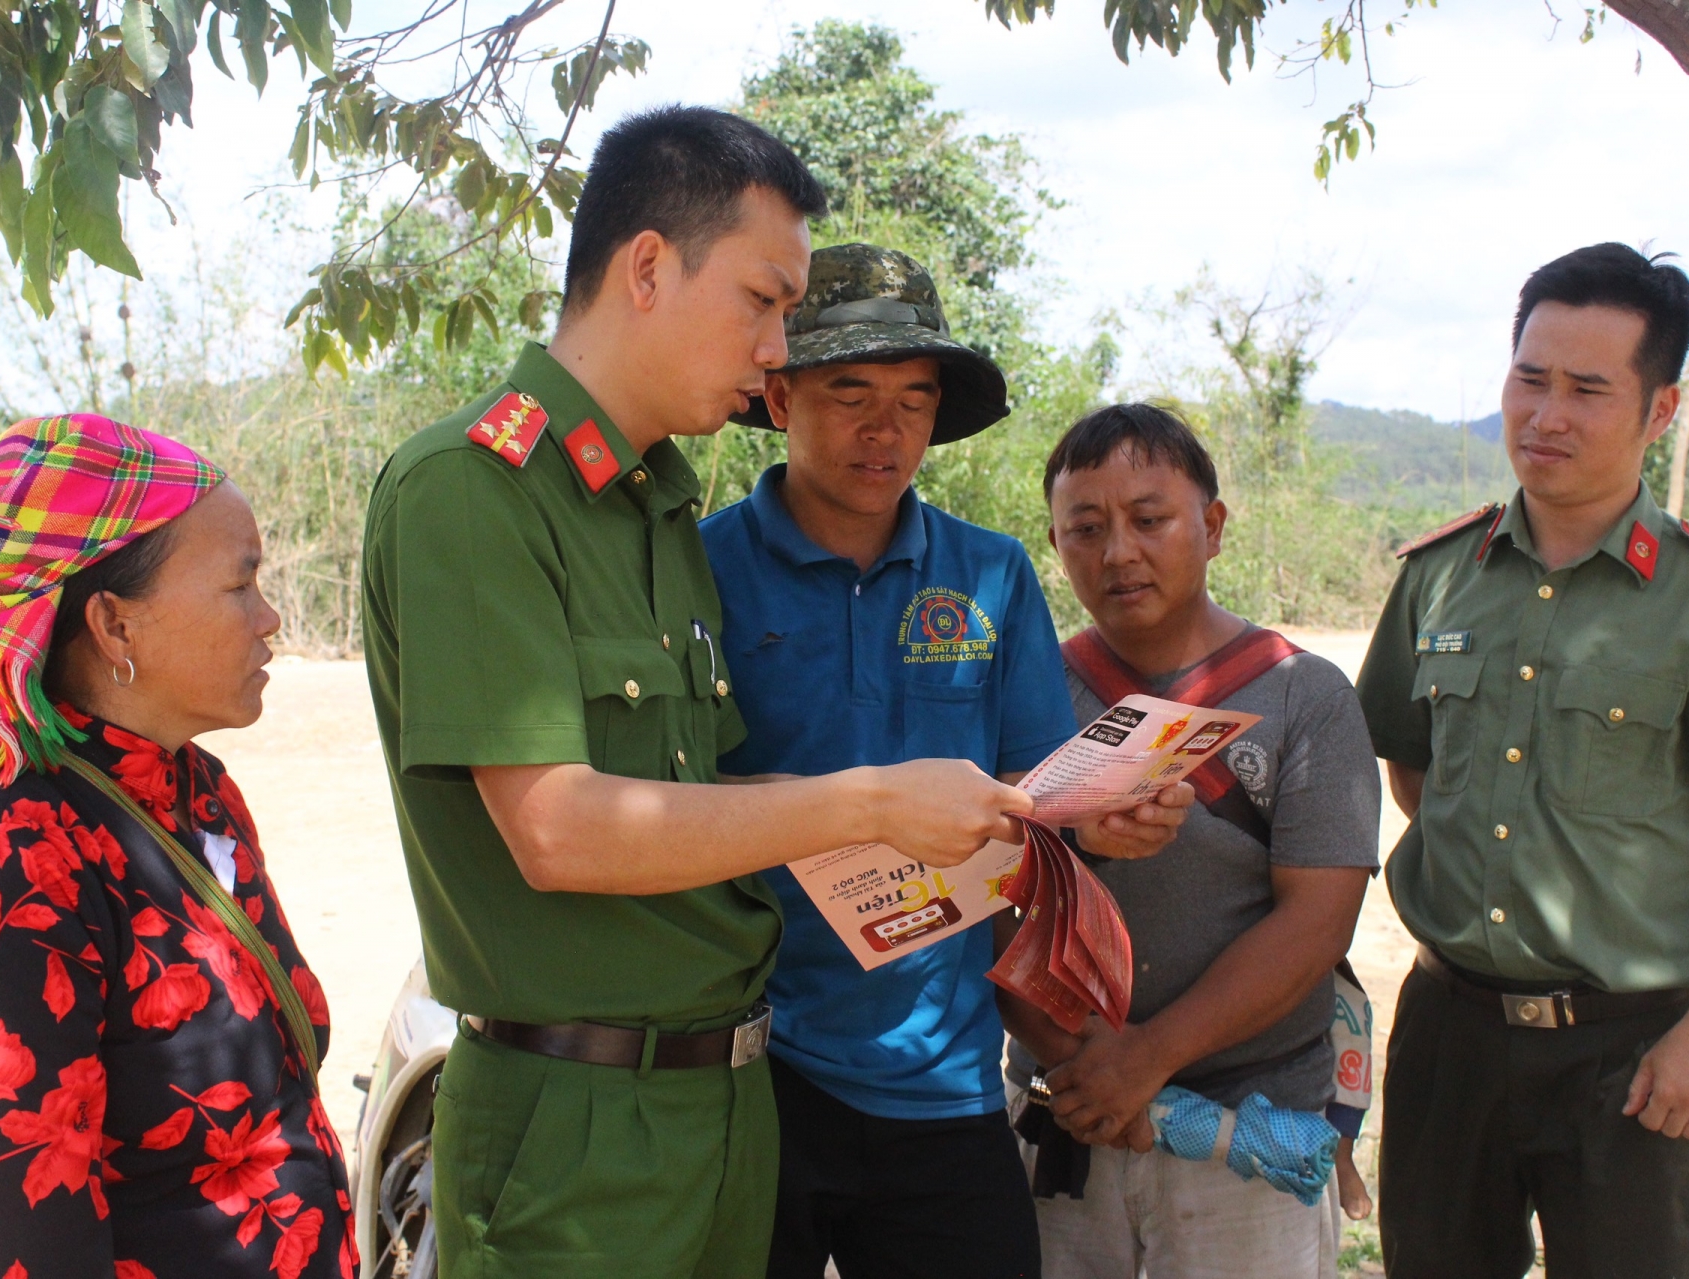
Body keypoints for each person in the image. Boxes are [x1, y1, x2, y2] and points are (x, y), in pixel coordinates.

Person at [360, 109, 1035, 1279]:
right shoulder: (472, 492)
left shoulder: (654, 515)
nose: (780, 349)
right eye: (765, 302)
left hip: (724, 1106)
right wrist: (872, 802)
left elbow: (705, 792)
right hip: (576, 1131)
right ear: (650, 267)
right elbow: (560, 828)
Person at [699, 243, 1191, 1279]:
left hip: (944, 1072)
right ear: (779, 397)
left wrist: (1101, 822)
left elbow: (1033, 799)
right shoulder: (701, 570)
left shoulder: (990, 573)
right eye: (851, 393)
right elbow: (667, 800)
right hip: (752, 1065)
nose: (887, 431)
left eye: (915, 400)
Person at [0, 409, 353, 1277]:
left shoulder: (195, 791)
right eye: (241, 584)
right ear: (115, 625)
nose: (271, 617)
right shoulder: (3, 868)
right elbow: (20, 1250)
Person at [1355, 243, 1689, 1279]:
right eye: (1530, 379)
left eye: (1588, 389)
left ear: (1659, 410)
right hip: (1452, 1033)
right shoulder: (1440, 579)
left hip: (1632, 1052)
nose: (1547, 416)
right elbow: (1413, 766)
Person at [1001, 403, 1381, 1279]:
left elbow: (1317, 921)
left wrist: (1149, 1058)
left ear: (1211, 527)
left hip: (1245, 1126)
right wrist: (1083, 1064)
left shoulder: (1303, 695)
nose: (1118, 552)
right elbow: (993, 893)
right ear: (1055, 544)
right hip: (1069, 1113)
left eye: (1149, 518)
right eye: (1085, 528)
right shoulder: (1029, 691)